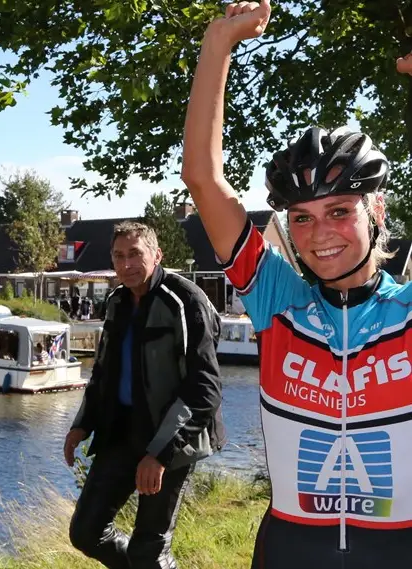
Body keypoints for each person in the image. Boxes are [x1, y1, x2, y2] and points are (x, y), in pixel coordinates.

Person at [181, 2, 412, 568]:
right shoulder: (278, 300)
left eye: (339, 211)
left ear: (376, 211)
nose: (319, 234)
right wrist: (217, 45)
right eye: (302, 218)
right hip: (291, 548)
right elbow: (203, 179)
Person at [64, 221, 224, 569]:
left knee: (149, 552)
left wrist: (160, 455)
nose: (126, 265)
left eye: (135, 254)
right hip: (120, 433)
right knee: (86, 532)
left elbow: (205, 387)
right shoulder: (117, 301)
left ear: (157, 255)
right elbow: (103, 371)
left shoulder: (185, 301)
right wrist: (82, 424)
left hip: (170, 437)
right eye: (118, 256)